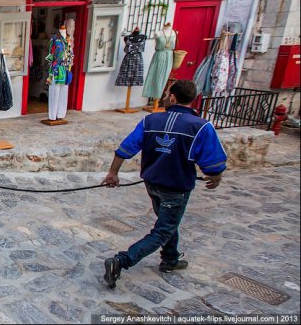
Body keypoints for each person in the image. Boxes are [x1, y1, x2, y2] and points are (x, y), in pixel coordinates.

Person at [101, 79, 227, 289]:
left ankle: (170, 259)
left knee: (167, 222)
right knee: (163, 230)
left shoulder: (150, 121)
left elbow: (126, 148)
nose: (165, 97)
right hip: (176, 187)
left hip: (152, 184)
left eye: (167, 94)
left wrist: (113, 173)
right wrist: (216, 178)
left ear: (173, 98)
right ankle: (121, 261)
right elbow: (213, 162)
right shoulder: (201, 127)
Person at [45, 25, 74, 120]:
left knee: (64, 92)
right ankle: (52, 116)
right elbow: (51, 54)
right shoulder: (54, 39)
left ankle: (61, 114)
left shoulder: (69, 39)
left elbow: (71, 54)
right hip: (56, 69)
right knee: (54, 92)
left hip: (66, 69)